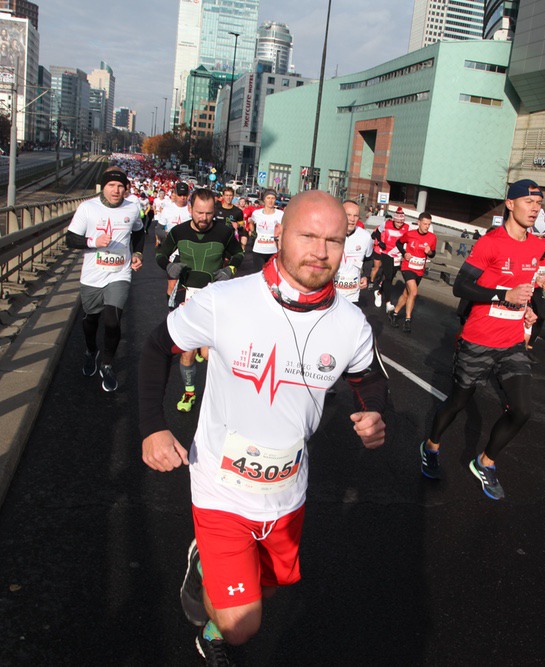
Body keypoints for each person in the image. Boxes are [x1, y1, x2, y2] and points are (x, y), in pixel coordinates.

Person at [139, 190, 387, 665]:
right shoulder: (226, 300)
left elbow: (369, 376)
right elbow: (156, 347)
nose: (320, 251)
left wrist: (374, 411)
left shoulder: (351, 323)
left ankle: (212, 597)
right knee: (242, 625)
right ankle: (215, 613)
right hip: (220, 487)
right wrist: (153, 426)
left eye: (334, 240)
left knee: (265, 591)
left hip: (287, 492)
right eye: (308, 236)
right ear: (280, 235)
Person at [417, 180, 545, 498]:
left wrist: (528, 308)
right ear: (510, 204)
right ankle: (431, 446)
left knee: (522, 410)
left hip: (512, 342)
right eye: (529, 202)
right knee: (458, 402)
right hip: (479, 339)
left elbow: (523, 285)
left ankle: (485, 462)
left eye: (539, 203)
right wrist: (504, 295)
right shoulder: (491, 242)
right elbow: (460, 287)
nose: (535, 209)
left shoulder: (537, 245)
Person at [157, 188, 245, 412]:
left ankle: (220, 393)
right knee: (187, 351)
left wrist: (230, 269)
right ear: (190, 209)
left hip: (214, 296)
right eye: (199, 213)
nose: (204, 218)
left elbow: (239, 254)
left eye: (208, 213)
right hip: (186, 295)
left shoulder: (224, 232)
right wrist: (168, 266)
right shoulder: (178, 231)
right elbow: (160, 254)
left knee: (208, 353)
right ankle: (189, 393)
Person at [64, 167, 145, 392]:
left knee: (112, 321)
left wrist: (138, 254)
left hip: (119, 273)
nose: (116, 190)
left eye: (120, 186)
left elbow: (139, 232)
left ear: (125, 188)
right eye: (111, 185)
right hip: (92, 275)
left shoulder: (132, 208)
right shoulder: (88, 208)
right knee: (91, 320)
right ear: (103, 187)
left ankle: (107, 365)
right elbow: (70, 239)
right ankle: (91, 351)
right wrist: (93, 242)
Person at [391, 211, 437, 333]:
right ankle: (408, 320)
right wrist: (404, 253)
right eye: (425, 224)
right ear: (419, 222)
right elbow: (398, 243)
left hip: (419, 270)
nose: (427, 226)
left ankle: (394, 313)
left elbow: (433, 254)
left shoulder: (432, 237)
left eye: (429, 224)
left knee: (407, 294)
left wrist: (429, 252)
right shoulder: (410, 234)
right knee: (414, 292)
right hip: (407, 267)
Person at [333, 200, 374, 304]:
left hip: (352, 294)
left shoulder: (365, 237)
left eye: (355, 216)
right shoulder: (329, 233)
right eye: (348, 215)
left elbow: (368, 259)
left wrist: (366, 275)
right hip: (330, 292)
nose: (352, 219)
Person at [157, 182, 193, 297]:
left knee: (189, 284)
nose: (182, 198)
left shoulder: (193, 208)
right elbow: (158, 229)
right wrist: (167, 236)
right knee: (172, 284)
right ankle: (171, 306)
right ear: (175, 194)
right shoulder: (168, 209)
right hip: (173, 252)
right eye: (180, 195)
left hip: (190, 251)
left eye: (185, 195)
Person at [527, 213, 545, 350]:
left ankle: (530, 344)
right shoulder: (531, 238)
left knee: (541, 314)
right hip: (528, 279)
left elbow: (544, 261)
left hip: (539, 282)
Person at [373, 207, 410, 311]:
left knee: (390, 277)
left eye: (401, 222)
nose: (399, 224)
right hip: (386, 253)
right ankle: (388, 303)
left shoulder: (407, 227)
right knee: (388, 277)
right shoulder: (386, 224)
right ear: (394, 220)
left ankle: (379, 293)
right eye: (397, 222)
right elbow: (377, 232)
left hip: (398, 255)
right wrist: (380, 242)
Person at [214, 186, 247, 252]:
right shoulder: (216, 209)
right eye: (226, 195)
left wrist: (238, 225)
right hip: (217, 240)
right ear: (223, 196)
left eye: (230, 195)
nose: (228, 198)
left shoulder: (238, 211)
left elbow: (242, 226)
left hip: (231, 241)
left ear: (233, 196)